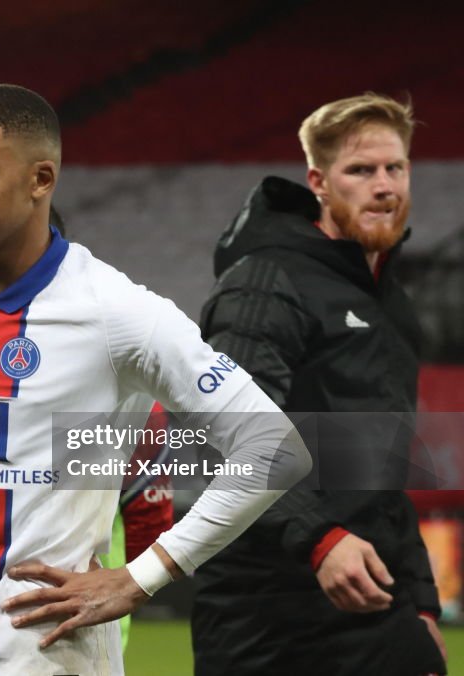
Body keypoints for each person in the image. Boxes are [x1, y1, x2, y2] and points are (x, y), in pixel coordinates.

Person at [0, 83, 311, 675]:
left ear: (40, 180)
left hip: (47, 660)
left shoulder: (116, 313)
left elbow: (274, 447)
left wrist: (143, 577)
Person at [191, 94, 447, 675]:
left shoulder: (392, 304)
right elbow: (226, 431)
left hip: (374, 600)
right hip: (265, 613)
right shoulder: (265, 280)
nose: (384, 186)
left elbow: (387, 474)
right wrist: (320, 539)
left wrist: (422, 604)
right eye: (361, 170)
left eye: (395, 168)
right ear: (320, 182)